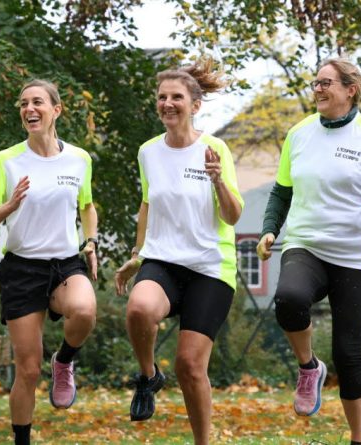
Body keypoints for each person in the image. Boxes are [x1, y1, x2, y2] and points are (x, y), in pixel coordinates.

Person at [256, 58, 361, 445]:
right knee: (289, 298)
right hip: (306, 245)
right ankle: (308, 367)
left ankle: (359, 440)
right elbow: (281, 192)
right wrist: (269, 230)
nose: (317, 88)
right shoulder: (298, 134)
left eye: (326, 83)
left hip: (358, 256)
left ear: (351, 90)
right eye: (315, 82)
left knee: (349, 355)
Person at [114, 57, 243, 445]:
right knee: (139, 308)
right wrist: (138, 254)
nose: (167, 103)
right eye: (161, 97)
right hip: (163, 260)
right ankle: (149, 374)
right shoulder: (148, 152)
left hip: (209, 267)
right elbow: (148, 205)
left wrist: (218, 180)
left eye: (176, 97)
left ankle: (203, 441)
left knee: (190, 365)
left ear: (195, 105)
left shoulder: (215, 148)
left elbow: (234, 215)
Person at [0, 79, 98, 445]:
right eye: (24, 103)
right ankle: (22, 440)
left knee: (85, 311)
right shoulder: (5, 161)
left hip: (65, 264)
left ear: (56, 110)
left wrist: (90, 241)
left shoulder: (79, 159)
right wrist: (9, 206)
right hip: (22, 269)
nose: (30, 109)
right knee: (27, 370)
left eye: (38, 102)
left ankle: (64, 360)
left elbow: (87, 206)